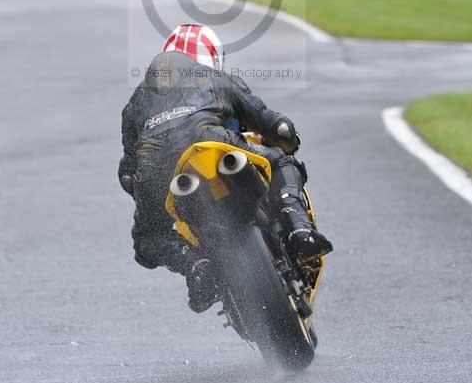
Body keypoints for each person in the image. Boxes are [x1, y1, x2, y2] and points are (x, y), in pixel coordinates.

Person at [119, 24, 333, 313]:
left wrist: (144, 188)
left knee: (147, 242)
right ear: (211, 59)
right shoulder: (216, 79)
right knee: (281, 161)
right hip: (212, 142)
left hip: (159, 171)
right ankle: (299, 232)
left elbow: (127, 172)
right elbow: (276, 126)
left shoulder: (135, 103)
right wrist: (287, 140)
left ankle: (196, 266)